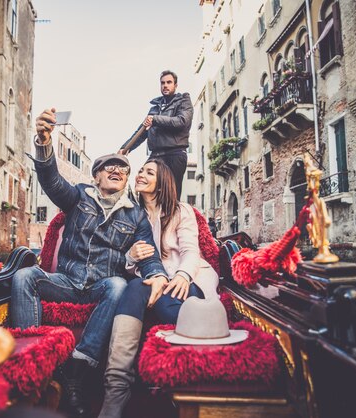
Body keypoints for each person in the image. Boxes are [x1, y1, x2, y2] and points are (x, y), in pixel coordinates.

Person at [12, 108, 168, 418]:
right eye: (108, 166)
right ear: (95, 176)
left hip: (101, 286)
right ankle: (31, 362)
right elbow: (52, 180)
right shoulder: (79, 197)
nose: (116, 169)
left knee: (118, 285)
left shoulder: (135, 216)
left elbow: (148, 253)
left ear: (125, 180)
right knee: (24, 276)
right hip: (67, 282)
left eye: (122, 168)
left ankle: (76, 374)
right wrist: (44, 143)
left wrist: (158, 276)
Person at [98, 159, 219, 418]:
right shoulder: (130, 213)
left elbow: (190, 251)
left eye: (148, 172)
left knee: (166, 302)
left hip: (187, 276)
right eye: (140, 170)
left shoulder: (181, 211)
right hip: (150, 279)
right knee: (132, 289)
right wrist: (131, 256)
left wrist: (183, 276)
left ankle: (187, 384)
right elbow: (127, 265)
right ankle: (115, 392)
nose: (140, 174)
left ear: (161, 182)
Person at [118, 70, 193, 199]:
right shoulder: (155, 107)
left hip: (174, 154)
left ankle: (172, 218)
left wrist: (156, 119)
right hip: (156, 155)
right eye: (162, 83)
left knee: (171, 194)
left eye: (169, 82)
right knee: (145, 189)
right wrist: (125, 148)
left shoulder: (183, 101)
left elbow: (182, 122)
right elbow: (141, 132)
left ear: (175, 85)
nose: (165, 85)